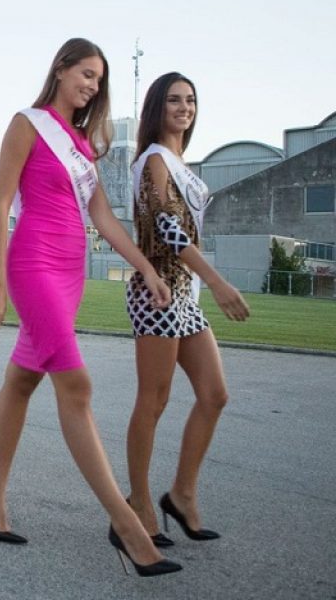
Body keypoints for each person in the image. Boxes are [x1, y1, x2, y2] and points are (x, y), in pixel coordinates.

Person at [0, 38, 181, 577]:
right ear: (61, 69)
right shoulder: (28, 123)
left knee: (23, 380)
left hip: (70, 274)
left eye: (99, 80)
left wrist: (146, 266)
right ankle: (130, 528)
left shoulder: (82, 145)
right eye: (85, 74)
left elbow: (105, 218)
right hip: (32, 264)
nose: (92, 85)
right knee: (77, 387)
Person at [124, 72, 250, 546]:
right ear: (157, 107)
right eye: (174, 100)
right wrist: (217, 281)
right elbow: (169, 229)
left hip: (185, 296)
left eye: (191, 99)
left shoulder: (179, 161)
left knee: (214, 394)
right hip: (155, 292)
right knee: (153, 402)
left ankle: (182, 493)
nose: (184, 107)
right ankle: (136, 503)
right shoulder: (156, 159)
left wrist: (203, 285)